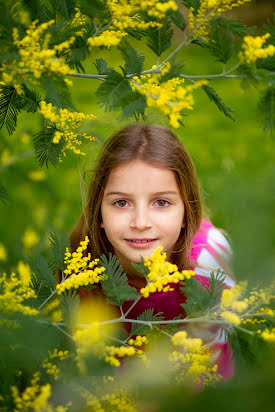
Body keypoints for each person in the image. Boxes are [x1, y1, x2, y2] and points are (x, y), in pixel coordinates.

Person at [69, 124, 235, 380]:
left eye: (161, 202)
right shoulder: (83, 267)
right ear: (99, 211)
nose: (141, 222)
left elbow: (201, 374)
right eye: (121, 203)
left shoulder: (208, 268)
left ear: (185, 212)